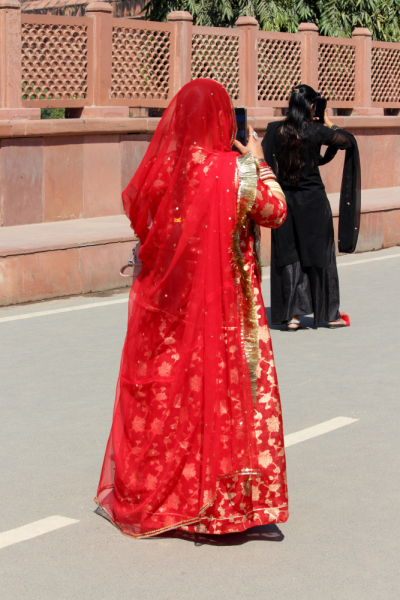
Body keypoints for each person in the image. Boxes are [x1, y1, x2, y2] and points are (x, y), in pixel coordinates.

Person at [95, 79, 289, 538]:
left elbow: (145, 223)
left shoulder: (169, 173)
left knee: (174, 397)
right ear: (224, 120)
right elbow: (276, 211)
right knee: (225, 398)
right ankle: (223, 507)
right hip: (226, 313)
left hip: (173, 310)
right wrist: (259, 162)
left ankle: (169, 496)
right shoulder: (237, 171)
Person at [262, 84, 361, 331]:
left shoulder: (275, 129)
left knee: (290, 255)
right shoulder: (316, 130)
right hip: (313, 203)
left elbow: (263, 162)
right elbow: (348, 141)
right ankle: (328, 314)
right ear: (311, 106)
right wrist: (329, 122)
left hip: (285, 201)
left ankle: (293, 316)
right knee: (320, 255)